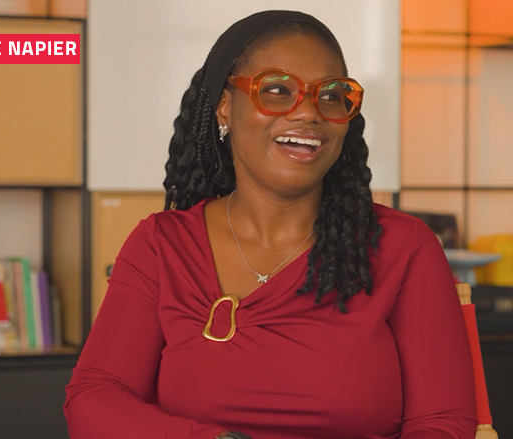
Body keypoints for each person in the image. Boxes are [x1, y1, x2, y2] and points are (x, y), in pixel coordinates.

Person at [64, 10, 477, 439]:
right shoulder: (161, 245)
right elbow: (94, 398)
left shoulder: (404, 247)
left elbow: (443, 424)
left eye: (331, 96)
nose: (309, 113)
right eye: (278, 90)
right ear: (225, 106)